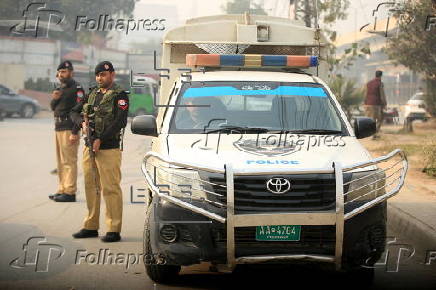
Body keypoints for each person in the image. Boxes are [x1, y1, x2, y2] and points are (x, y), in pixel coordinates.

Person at [70, 61, 129, 243]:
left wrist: (100, 139)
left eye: (103, 75)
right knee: (91, 186)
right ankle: (91, 226)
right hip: (89, 147)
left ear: (112, 75)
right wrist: (80, 123)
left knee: (110, 188)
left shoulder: (120, 95)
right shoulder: (92, 93)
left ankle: (113, 228)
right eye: (97, 75)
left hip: (108, 148)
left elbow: (120, 121)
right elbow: (74, 112)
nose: (99, 78)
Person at [50, 60, 84, 202]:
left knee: (69, 161)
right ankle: (62, 188)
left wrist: (75, 132)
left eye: (63, 72)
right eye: (59, 72)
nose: (60, 75)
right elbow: (54, 108)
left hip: (69, 128)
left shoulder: (77, 88)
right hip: (58, 128)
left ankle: (70, 192)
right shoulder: (61, 88)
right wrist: (54, 99)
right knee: (60, 162)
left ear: (71, 72)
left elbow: (81, 110)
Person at [364, 70, 387, 140]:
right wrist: (384, 103)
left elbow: (365, 93)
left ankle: (372, 134)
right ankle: (373, 134)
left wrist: (365, 102)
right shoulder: (380, 83)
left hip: (367, 104)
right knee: (380, 119)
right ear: (381, 76)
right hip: (375, 104)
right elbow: (382, 94)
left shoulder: (368, 83)